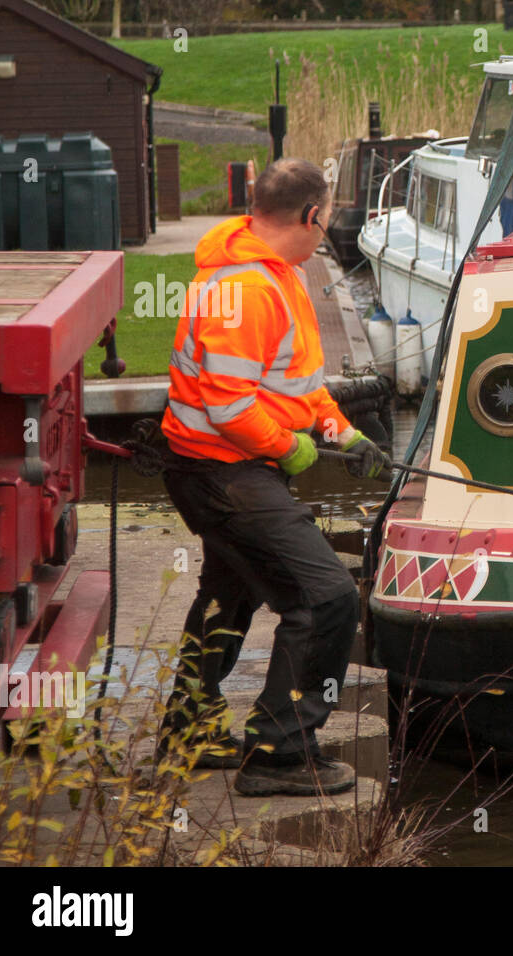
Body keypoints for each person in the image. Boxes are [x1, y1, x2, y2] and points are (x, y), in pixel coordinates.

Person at [156, 158, 390, 796]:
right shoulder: (250, 290)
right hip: (221, 471)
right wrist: (290, 449)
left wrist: (344, 433)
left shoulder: (273, 273)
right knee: (325, 599)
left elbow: (294, 385)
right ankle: (281, 751)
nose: (326, 233)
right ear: (312, 215)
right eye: (327, 220)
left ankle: (189, 730)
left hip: (222, 467)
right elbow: (232, 407)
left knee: (230, 591)